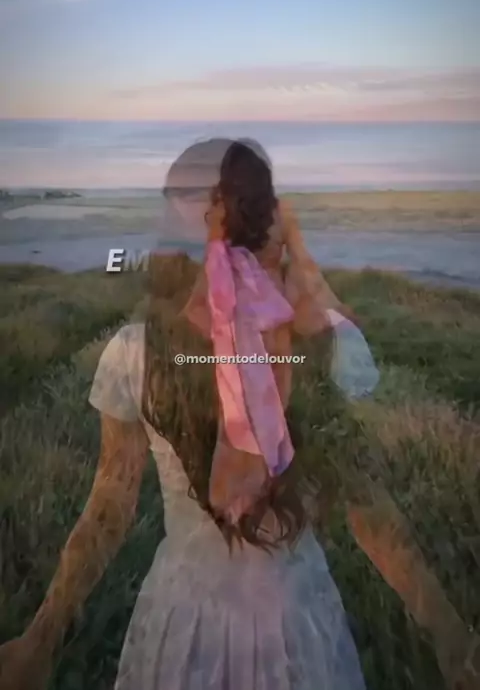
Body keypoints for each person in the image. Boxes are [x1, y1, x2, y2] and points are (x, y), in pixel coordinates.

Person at [0, 139, 478, 690]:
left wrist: (41, 640)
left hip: (193, 622)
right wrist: (451, 639)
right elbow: (368, 507)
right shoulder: (314, 342)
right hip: (287, 624)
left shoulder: (143, 350)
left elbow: (110, 507)